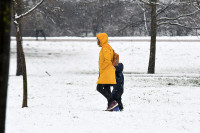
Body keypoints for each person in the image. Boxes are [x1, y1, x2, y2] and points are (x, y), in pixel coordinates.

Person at [96, 33, 118, 111]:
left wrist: (101, 68)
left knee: (99, 87)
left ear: (102, 39)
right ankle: (111, 107)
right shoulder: (107, 47)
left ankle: (112, 102)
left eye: (98, 39)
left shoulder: (105, 48)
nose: (97, 41)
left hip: (106, 71)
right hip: (108, 71)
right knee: (107, 88)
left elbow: (107, 60)